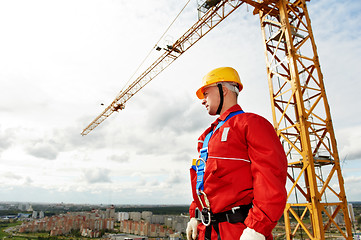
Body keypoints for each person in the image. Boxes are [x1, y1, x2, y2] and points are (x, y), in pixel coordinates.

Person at [186, 67, 287, 240]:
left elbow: (270, 178)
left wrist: (257, 228)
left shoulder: (251, 124)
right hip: (208, 231)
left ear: (223, 89)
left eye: (206, 93)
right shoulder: (206, 137)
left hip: (239, 231)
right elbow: (204, 183)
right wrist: (196, 215)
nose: (203, 101)